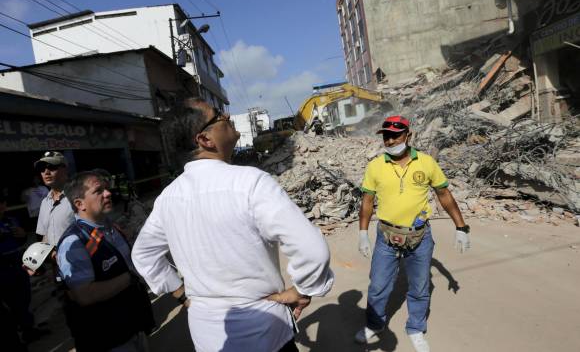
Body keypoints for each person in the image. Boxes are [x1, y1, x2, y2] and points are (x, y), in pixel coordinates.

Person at [132, 98, 334, 352]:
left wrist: (180, 293)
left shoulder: (168, 198)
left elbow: (143, 254)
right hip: (264, 333)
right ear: (204, 139)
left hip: (208, 336)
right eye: (218, 115)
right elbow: (312, 250)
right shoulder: (250, 182)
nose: (227, 116)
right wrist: (303, 289)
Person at [356, 116, 471, 352]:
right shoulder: (375, 166)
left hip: (420, 237)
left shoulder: (426, 163)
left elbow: (444, 195)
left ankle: (416, 328)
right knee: (378, 286)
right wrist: (362, 233)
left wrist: (461, 227)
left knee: (419, 287)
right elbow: (367, 201)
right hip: (386, 237)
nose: (390, 140)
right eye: (386, 135)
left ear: (409, 135)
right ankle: (374, 325)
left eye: (395, 135)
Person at [56, 170, 155, 352]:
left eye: (107, 189)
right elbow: (84, 295)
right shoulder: (75, 242)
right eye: (98, 191)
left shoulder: (111, 228)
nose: (108, 193)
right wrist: (130, 277)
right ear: (80, 204)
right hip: (109, 339)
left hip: (133, 327)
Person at [0, 188, 46, 344]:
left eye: (2, 202)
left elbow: (20, 241)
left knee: (24, 298)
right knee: (13, 303)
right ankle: (21, 330)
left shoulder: (11, 220)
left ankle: (28, 329)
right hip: (3, 269)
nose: (1, 206)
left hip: (18, 265)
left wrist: (22, 235)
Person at [34, 152, 75, 247]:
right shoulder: (45, 202)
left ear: (65, 169)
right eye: (42, 168)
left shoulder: (80, 196)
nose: (46, 172)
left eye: (51, 167)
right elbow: (46, 235)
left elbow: (96, 232)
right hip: (55, 260)